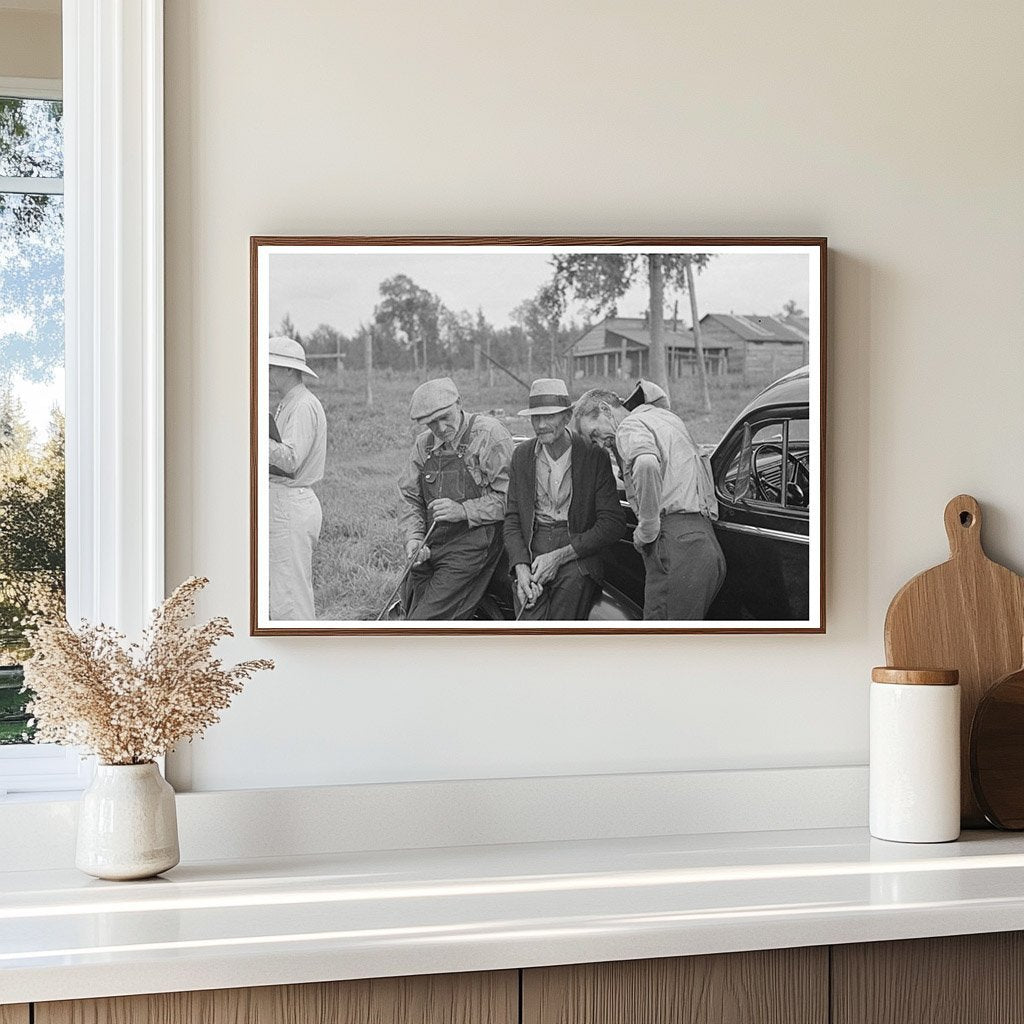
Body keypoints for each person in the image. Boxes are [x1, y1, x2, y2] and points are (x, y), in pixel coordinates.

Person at [574, 387, 725, 620]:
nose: (600, 444)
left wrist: (647, 528)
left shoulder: (628, 427)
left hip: (675, 547)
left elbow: (646, 463)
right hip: (704, 544)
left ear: (605, 409)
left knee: (659, 645)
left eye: (594, 433)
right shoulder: (663, 418)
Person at [504, 379, 626, 620]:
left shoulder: (594, 455)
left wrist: (559, 557)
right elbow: (512, 518)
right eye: (535, 418)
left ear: (568, 416)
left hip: (576, 550)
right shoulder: (522, 455)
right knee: (528, 618)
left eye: (549, 416)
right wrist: (520, 567)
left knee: (564, 617)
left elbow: (612, 523)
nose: (541, 425)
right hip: (533, 547)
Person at [397, 378, 513, 620]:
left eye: (445, 417)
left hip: (474, 544)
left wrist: (463, 511)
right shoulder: (424, 445)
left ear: (459, 403)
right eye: (431, 423)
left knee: (424, 622)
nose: (440, 428)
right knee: (409, 606)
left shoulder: (489, 434)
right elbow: (410, 497)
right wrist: (414, 539)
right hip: (433, 544)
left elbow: (510, 499)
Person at [268, 336, 327, 620]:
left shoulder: (302, 405)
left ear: (290, 370)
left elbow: (291, 459)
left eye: (272, 368)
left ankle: (299, 649)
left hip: (291, 500)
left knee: (290, 595)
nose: (267, 375)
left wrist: (255, 435)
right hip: (285, 499)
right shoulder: (289, 403)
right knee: (282, 589)